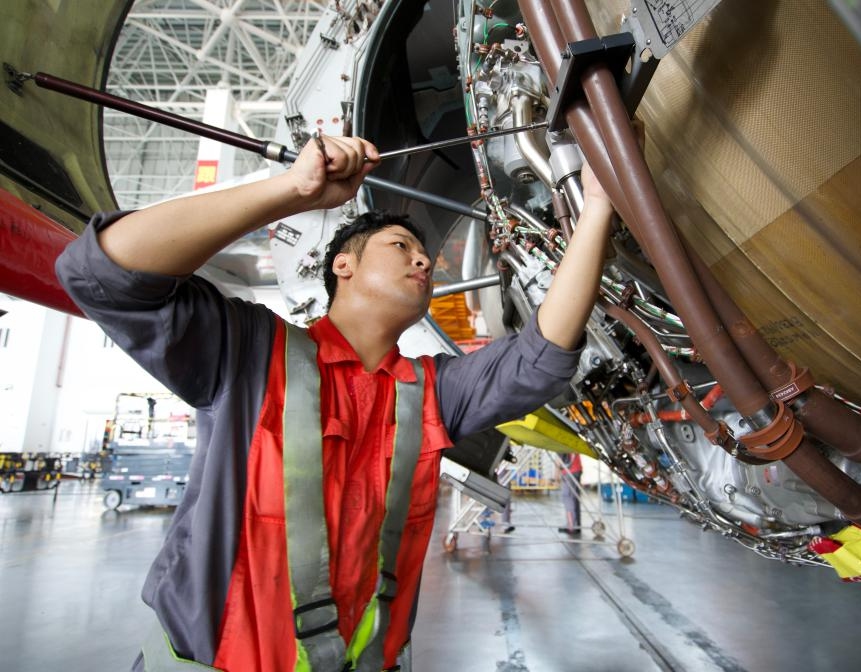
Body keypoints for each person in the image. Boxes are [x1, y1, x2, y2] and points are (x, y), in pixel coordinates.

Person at [56, 134, 614, 671]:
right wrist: (292, 191)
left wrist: (596, 204)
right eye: (402, 247)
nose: (423, 262)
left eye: (424, 255)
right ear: (342, 265)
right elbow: (103, 271)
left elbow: (542, 356)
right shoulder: (251, 354)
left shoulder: (431, 393)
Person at [558, 451, 583, 536]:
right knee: (574, 498)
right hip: (575, 469)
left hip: (570, 471)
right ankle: (575, 525)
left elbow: (571, 454)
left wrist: (566, 466)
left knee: (568, 497)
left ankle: (572, 526)